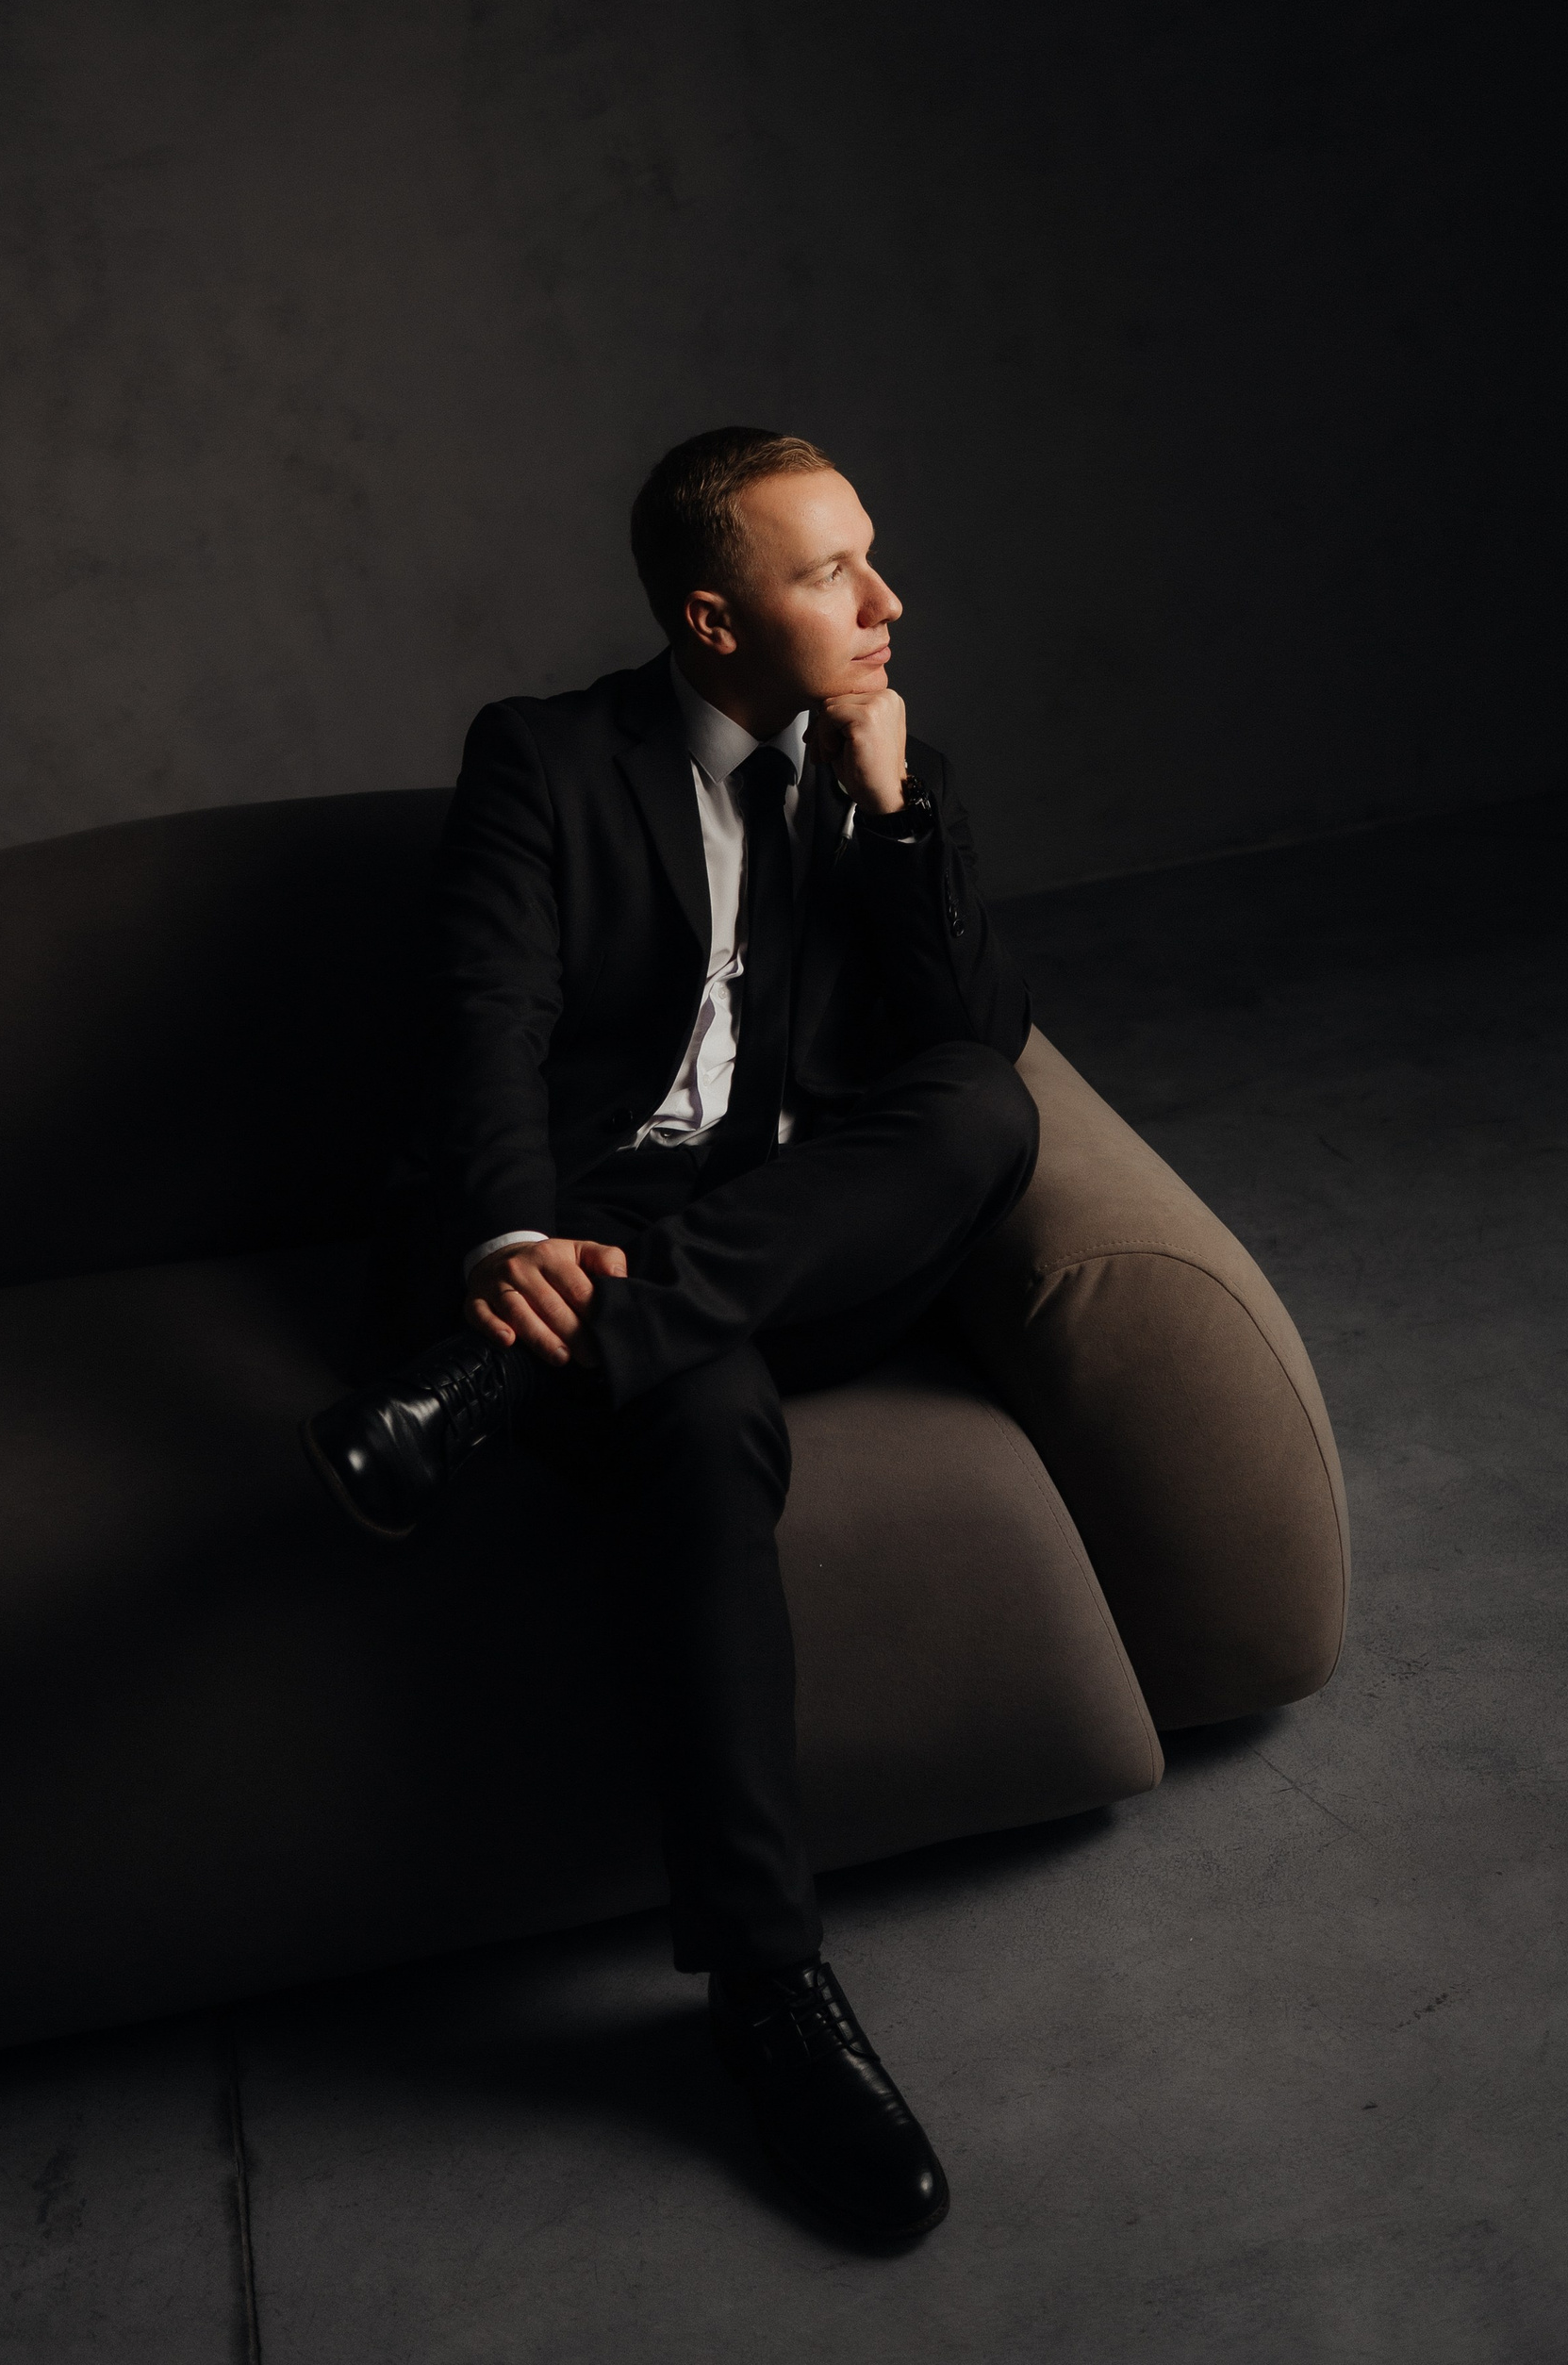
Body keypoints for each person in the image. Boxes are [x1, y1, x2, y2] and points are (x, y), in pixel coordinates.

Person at [303, 427, 1037, 2243]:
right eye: (829, 572)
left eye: (871, 555)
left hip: (785, 1244)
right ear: (712, 618)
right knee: (701, 1429)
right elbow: (485, 1018)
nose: (884, 601)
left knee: (980, 1113)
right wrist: (510, 1238)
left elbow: (971, 1039)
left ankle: (484, 1396)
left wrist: (894, 810)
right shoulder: (546, 757)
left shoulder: (880, 763)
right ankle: (771, 1992)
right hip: (584, 1238)